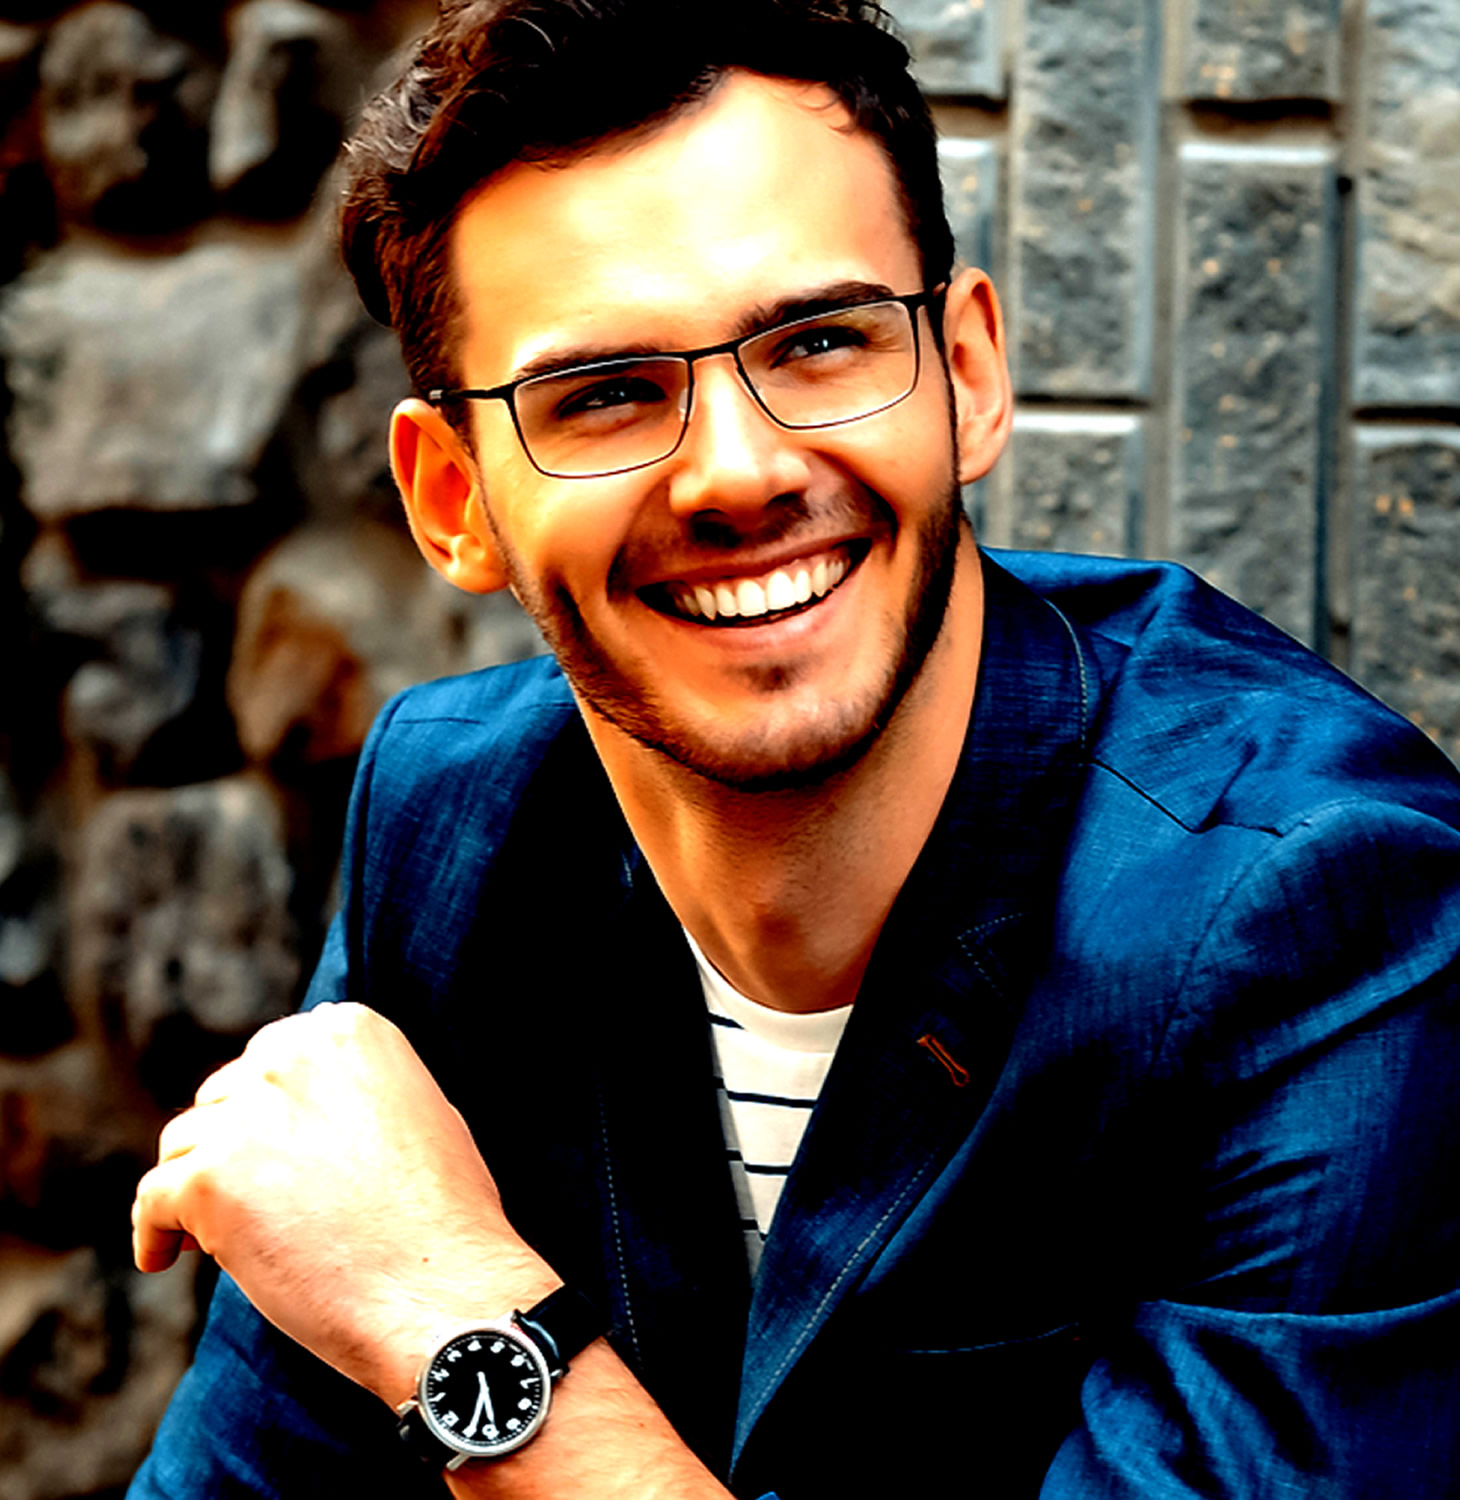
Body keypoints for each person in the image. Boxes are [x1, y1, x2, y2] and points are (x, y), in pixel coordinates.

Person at [127, 1, 1460, 1496]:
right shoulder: (456, 826)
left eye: (819, 342)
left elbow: (408, 1283)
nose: (739, 473)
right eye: (604, 393)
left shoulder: (1321, 913)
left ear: (968, 373)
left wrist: (464, 1327)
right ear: (454, 500)